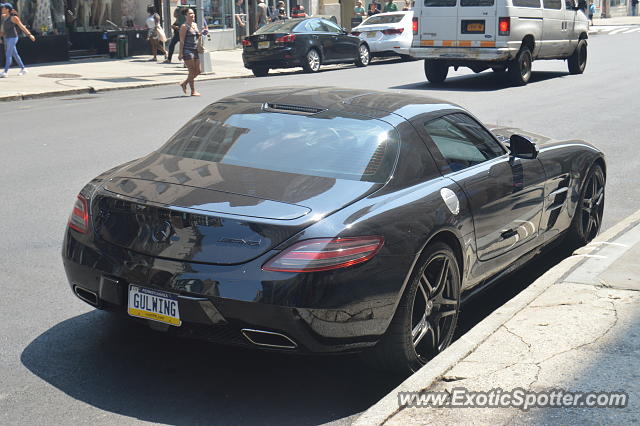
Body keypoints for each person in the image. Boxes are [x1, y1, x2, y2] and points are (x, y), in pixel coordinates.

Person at [0, 3, 35, 78]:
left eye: (3, 8)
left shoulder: (14, 18)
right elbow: (2, 28)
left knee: (8, 53)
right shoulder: (3, 17)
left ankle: (5, 71)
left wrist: (29, 35)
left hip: (13, 37)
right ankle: (23, 69)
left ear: (7, 10)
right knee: (15, 54)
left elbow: (22, 27)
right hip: (7, 37)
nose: (2, 9)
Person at [179, 8, 202, 96]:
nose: (193, 15)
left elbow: (197, 36)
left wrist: (200, 35)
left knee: (198, 70)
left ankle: (184, 83)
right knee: (192, 71)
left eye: (193, 13)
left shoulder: (195, 25)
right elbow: (182, 41)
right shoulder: (184, 26)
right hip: (187, 50)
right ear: (186, 16)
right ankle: (193, 91)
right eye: (190, 13)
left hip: (195, 49)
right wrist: (181, 53)